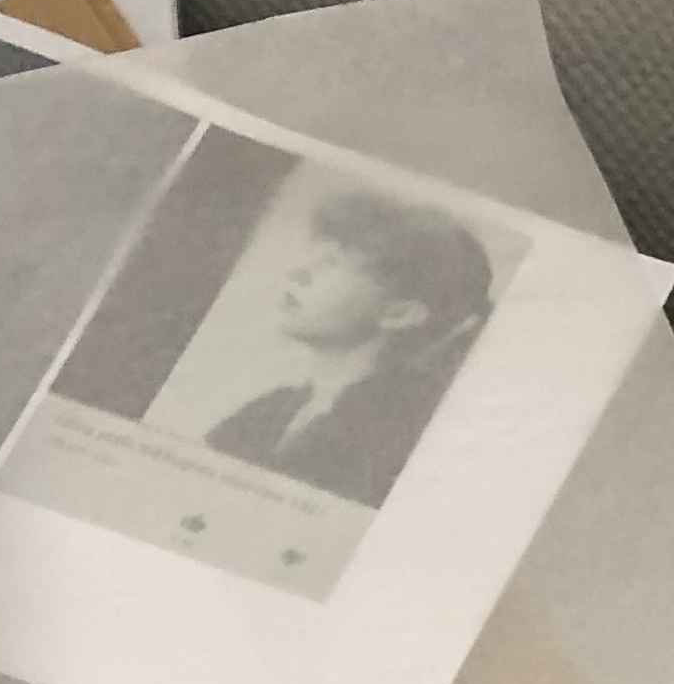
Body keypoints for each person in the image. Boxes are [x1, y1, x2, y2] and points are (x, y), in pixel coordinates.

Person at [202, 189, 496, 506]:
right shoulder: (265, 411)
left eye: (332, 263)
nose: (298, 274)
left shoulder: (407, 434)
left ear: (397, 314)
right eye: (314, 257)